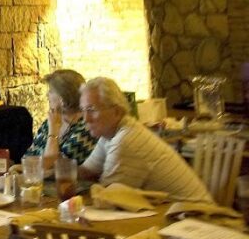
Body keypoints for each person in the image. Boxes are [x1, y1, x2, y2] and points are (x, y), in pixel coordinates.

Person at [78, 77, 213, 202]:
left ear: (117, 112)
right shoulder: (110, 133)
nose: (85, 119)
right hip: (169, 212)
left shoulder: (126, 140)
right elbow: (87, 172)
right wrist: (65, 170)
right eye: (83, 110)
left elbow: (106, 198)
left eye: (91, 110)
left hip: (195, 214)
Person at [24, 69, 96, 169]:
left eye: (51, 91)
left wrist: (53, 131)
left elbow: (56, 167)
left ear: (63, 98)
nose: (47, 95)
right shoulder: (50, 122)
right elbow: (28, 157)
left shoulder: (86, 128)